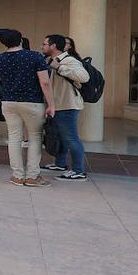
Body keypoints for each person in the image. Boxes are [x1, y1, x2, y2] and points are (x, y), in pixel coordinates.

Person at [0, 29, 55, 187]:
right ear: (20, 40)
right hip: (32, 102)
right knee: (34, 137)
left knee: (14, 138)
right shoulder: (35, 56)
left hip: (8, 102)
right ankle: (32, 176)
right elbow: (45, 83)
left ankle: (17, 176)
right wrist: (51, 104)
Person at [41, 34, 91, 180]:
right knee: (62, 137)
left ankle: (78, 171)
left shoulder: (68, 60)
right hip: (58, 105)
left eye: (45, 44)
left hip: (68, 105)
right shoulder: (51, 60)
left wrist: (60, 68)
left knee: (71, 138)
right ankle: (60, 163)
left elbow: (84, 77)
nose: (42, 46)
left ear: (53, 46)